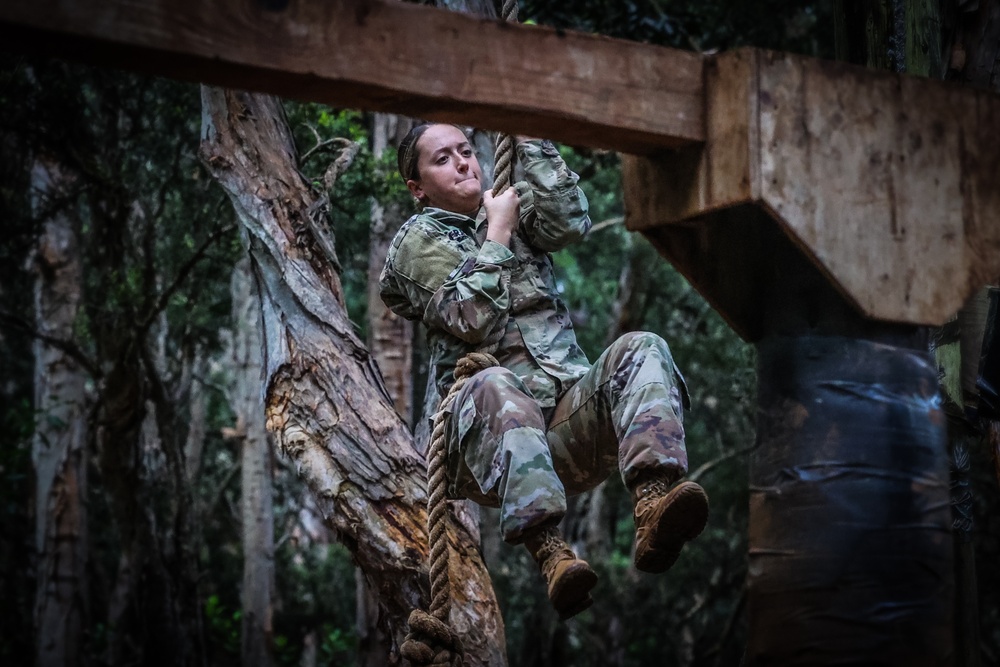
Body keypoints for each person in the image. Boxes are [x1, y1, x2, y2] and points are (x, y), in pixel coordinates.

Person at [379, 123, 709, 620]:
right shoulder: (416, 242)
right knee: (494, 383)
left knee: (643, 347)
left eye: (466, 151)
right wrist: (498, 231)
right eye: (442, 159)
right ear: (417, 187)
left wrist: (526, 133)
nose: (464, 163)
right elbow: (471, 318)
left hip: (563, 431)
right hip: (486, 450)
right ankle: (551, 553)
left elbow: (570, 220)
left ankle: (653, 503)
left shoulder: (511, 207)